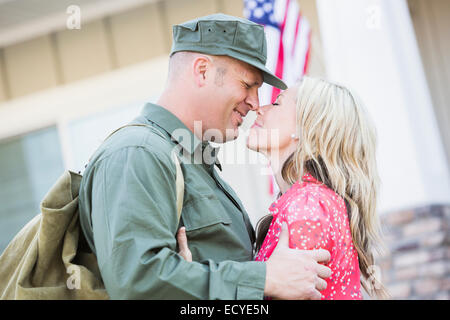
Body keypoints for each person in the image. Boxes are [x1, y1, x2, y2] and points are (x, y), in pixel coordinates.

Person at [78, 13, 331, 300]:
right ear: (202, 71)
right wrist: (263, 278)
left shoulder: (193, 161)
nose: (255, 104)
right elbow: (137, 282)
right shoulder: (137, 153)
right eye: (248, 85)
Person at [178, 77, 389, 299]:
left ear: (306, 128)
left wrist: (192, 286)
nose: (259, 109)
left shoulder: (308, 208)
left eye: (277, 103)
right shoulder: (310, 202)